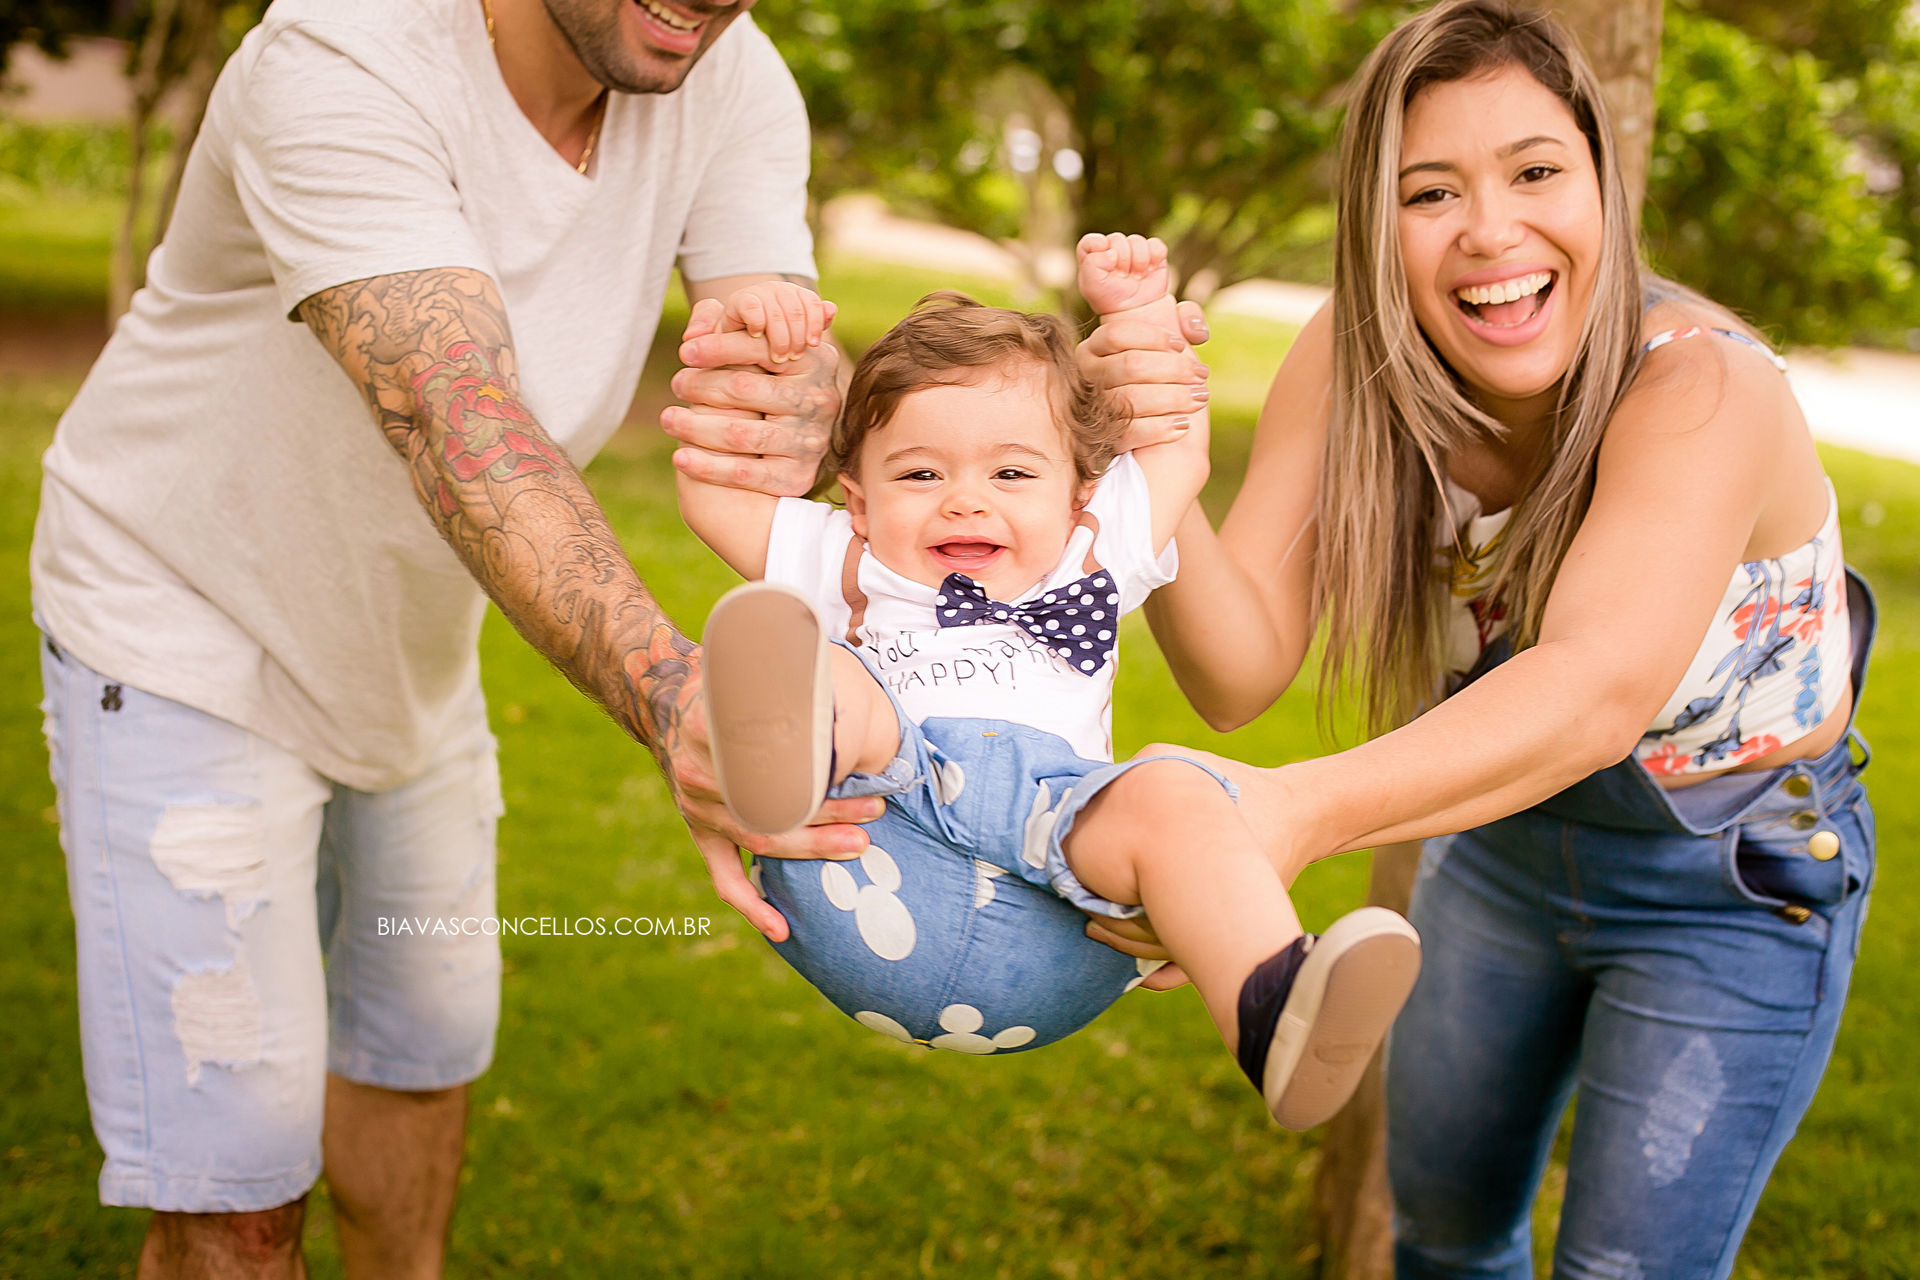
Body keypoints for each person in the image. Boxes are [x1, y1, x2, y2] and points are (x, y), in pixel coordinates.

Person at [29, 0, 878, 1274]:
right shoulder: (342, 53)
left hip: (410, 658)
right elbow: (454, 414)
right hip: (179, 625)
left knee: (419, 1062)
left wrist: (798, 396)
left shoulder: (733, 78)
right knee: (243, 1198)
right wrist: (672, 693)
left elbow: (780, 340)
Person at [1076, 1, 1875, 1275]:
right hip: (1497, 851)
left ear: (1604, 184)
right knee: (1447, 1241)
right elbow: (1237, 671)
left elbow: (1594, 690)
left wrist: (1290, 813)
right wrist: (1148, 468)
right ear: (1372, 223)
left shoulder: (1704, 386)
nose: (1492, 231)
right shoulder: (1355, 357)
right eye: (1430, 190)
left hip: (1728, 880)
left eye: (1537, 171)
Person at [676, 237, 1422, 1129]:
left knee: (1174, 797)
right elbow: (719, 494)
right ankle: (783, 758)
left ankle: (1273, 1010)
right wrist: (757, 341)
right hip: (877, 839)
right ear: (862, 501)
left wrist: (1140, 315)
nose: (965, 499)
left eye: (1012, 472)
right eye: (920, 473)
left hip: (1062, 880)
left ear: (1080, 494)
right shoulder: (854, 561)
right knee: (821, 664)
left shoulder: (1095, 551)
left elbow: (1176, 445)